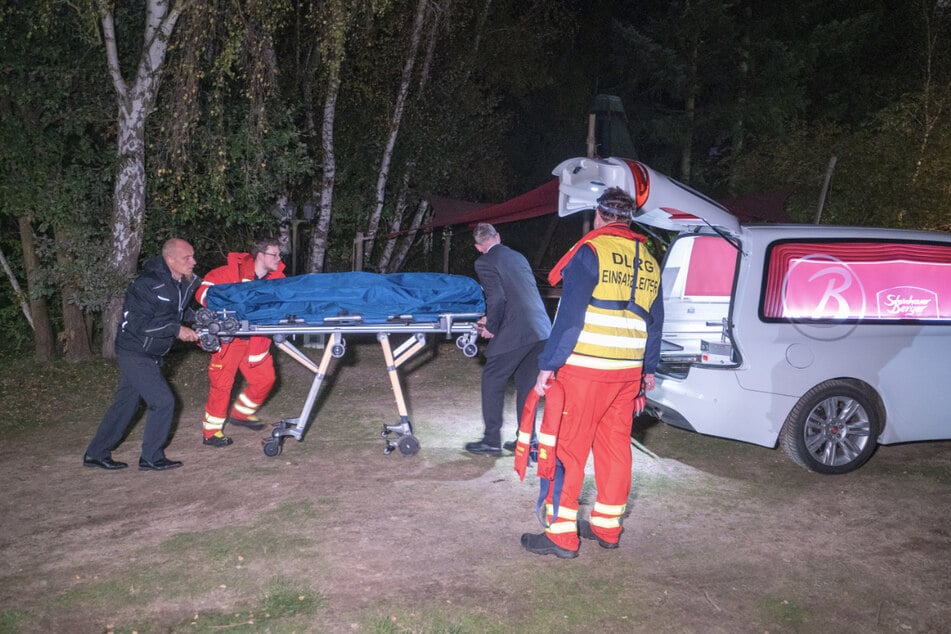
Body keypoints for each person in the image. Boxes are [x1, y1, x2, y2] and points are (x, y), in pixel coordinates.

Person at [520, 187, 664, 558]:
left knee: (568, 448)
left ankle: (562, 536)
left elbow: (570, 318)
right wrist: (647, 372)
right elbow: (655, 323)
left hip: (586, 370)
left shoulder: (591, 250)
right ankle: (607, 527)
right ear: (630, 219)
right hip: (627, 375)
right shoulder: (648, 258)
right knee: (615, 450)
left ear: (599, 216)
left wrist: (548, 365)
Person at [83, 238, 201, 471]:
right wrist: (176, 329)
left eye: (193, 256)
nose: (193, 262)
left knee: (126, 404)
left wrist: (198, 318)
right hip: (135, 351)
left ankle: (96, 453)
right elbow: (137, 323)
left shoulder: (181, 283)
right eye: (187, 257)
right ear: (170, 260)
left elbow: (176, 310)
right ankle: (151, 457)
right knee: (163, 401)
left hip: (153, 352)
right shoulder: (147, 284)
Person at [464, 223, 551, 456]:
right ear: (498, 237)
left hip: (517, 330)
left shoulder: (484, 262)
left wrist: (491, 326)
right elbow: (517, 295)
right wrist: (492, 320)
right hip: (541, 329)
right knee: (527, 386)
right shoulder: (518, 257)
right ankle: (527, 441)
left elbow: (498, 297)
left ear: (478, 247)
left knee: (492, 378)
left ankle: (491, 441)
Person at [195, 237, 285, 447]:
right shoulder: (229, 272)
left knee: (265, 379)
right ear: (260, 255)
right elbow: (203, 291)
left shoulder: (278, 278)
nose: (279, 259)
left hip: (257, 340)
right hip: (229, 341)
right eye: (275, 254)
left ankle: (240, 414)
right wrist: (230, 303)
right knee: (222, 385)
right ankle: (211, 432)